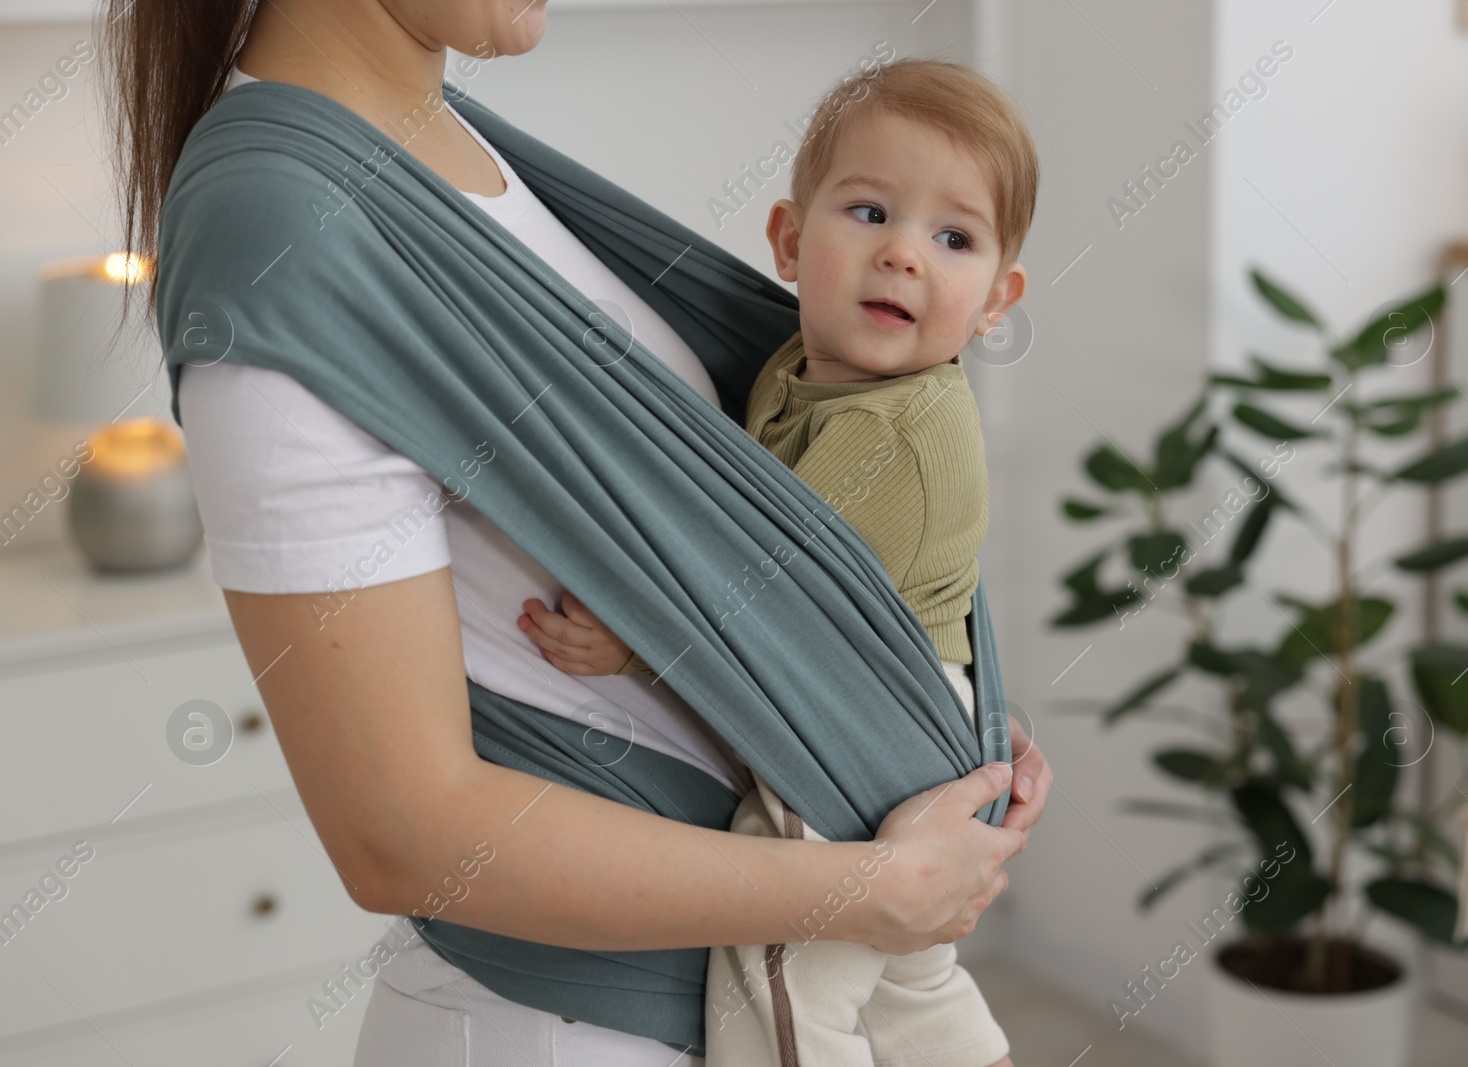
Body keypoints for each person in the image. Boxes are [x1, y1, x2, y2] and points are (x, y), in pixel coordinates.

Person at [102, 2, 1053, 1064]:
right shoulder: (281, 229)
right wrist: (873, 889)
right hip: (575, 1027)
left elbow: (808, 542)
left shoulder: (454, 151)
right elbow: (401, 835)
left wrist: (923, 707)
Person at [517, 57, 1033, 1067]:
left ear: (994, 299)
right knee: (908, 980)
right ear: (790, 241)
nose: (902, 257)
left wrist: (629, 643)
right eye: (870, 211)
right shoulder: (795, 369)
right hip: (891, 707)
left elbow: (765, 599)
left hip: (856, 730)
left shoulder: (899, 430)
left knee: (781, 975)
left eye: (953, 237)